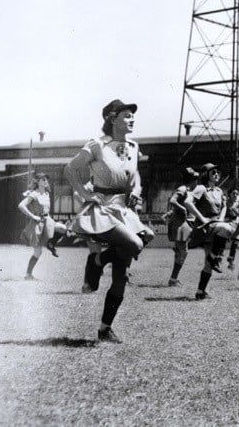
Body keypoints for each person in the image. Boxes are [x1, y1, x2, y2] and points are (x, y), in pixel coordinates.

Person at [65, 99, 154, 343]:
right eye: (127, 115)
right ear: (112, 119)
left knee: (121, 275)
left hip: (125, 209)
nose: (132, 119)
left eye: (132, 116)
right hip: (104, 208)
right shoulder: (96, 145)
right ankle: (98, 259)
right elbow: (70, 170)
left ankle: (105, 329)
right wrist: (85, 195)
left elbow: (134, 177)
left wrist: (136, 191)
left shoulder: (134, 147)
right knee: (134, 245)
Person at [186, 163, 233, 300]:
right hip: (204, 227)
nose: (217, 174)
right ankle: (214, 257)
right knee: (227, 228)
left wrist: (221, 219)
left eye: (218, 172)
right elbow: (188, 202)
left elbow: (224, 206)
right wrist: (202, 218)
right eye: (213, 173)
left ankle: (200, 291)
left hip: (215, 225)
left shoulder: (219, 191)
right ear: (206, 175)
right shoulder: (201, 188)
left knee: (208, 266)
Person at [19, 172, 57, 280]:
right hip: (37, 223)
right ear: (38, 182)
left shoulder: (47, 193)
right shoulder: (34, 194)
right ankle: (28, 275)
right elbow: (21, 206)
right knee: (38, 252)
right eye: (43, 179)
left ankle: (50, 244)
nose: (46, 181)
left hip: (47, 221)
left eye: (46, 179)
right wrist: (32, 216)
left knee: (63, 229)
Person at [166, 167, 200, 287]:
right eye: (195, 178)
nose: (197, 181)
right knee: (183, 252)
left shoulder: (189, 190)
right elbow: (172, 201)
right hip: (180, 224)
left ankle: (173, 278)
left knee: (182, 251)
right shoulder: (183, 189)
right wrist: (183, 208)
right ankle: (173, 279)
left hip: (184, 224)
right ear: (191, 179)